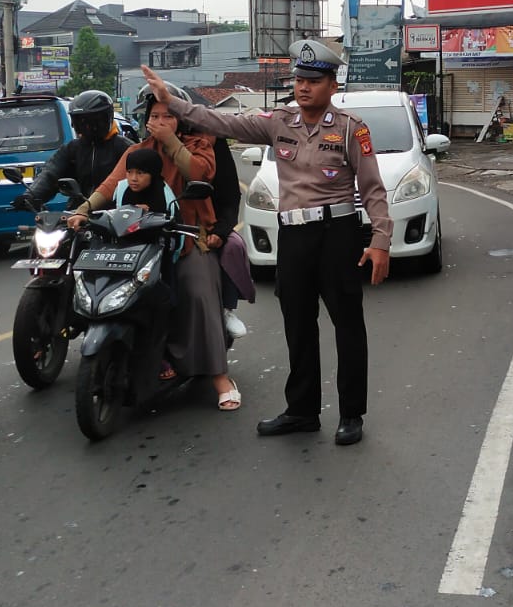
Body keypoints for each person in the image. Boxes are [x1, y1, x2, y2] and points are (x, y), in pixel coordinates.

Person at [134, 39, 390, 446]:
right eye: (299, 79)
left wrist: (380, 239)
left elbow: (372, 188)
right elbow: (221, 122)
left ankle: (351, 414)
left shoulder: (349, 128)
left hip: (336, 235)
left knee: (347, 324)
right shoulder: (279, 122)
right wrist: (173, 102)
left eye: (314, 80)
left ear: (332, 84)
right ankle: (302, 411)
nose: (304, 87)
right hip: (295, 235)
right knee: (297, 323)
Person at [67, 82, 241, 411]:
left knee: (196, 290)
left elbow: (198, 172)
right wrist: (83, 210)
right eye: (155, 115)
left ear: (181, 119)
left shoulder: (201, 144)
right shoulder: (138, 151)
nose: (160, 121)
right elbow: (111, 184)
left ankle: (218, 374)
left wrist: (171, 142)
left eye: (168, 115)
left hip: (186, 237)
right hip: (138, 240)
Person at [11, 90, 132, 212]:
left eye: (91, 121)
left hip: (115, 216)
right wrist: (31, 196)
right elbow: (51, 173)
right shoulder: (72, 148)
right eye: (80, 121)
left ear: (106, 118)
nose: (86, 127)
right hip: (77, 215)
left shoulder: (125, 148)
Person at [211, 136, 250, 339]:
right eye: (155, 116)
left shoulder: (213, 148)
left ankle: (227, 308)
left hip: (209, 227)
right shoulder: (148, 149)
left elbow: (231, 197)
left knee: (233, 246)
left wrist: (220, 230)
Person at [111, 146, 174, 213]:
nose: (133, 178)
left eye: (140, 173)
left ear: (153, 174)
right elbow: (112, 218)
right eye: (129, 172)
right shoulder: (121, 189)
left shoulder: (167, 198)